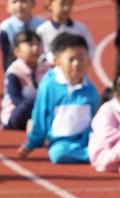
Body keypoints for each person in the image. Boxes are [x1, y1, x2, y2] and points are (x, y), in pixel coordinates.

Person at [18, 34, 99, 164]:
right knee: (57, 154)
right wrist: (32, 143)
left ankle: (99, 153)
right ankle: (97, 155)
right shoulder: (49, 85)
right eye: (71, 59)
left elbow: (97, 118)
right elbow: (40, 115)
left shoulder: (90, 88)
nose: (76, 63)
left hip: (87, 138)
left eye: (81, 58)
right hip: (62, 142)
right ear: (57, 61)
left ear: (88, 60)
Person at [36, 0, 97, 65]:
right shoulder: (42, 30)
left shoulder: (80, 29)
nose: (66, 7)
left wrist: (84, 60)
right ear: (49, 4)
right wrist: (48, 62)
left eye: (70, 3)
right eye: (62, 3)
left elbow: (91, 48)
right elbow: (39, 54)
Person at [1, 29, 51, 131]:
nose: (36, 48)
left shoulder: (46, 69)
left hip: (41, 108)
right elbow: (16, 99)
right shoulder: (14, 71)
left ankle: (37, 123)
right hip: (18, 110)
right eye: (30, 44)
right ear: (17, 52)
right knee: (26, 105)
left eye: (38, 44)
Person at [0, 0, 45, 71]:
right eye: (14, 2)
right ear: (7, 6)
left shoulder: (42, 25)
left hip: (41, 69)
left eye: (24, 0)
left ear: (33, 2)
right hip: (18, 70)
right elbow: (7, 56)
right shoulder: (5, 28)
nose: (19, 5)